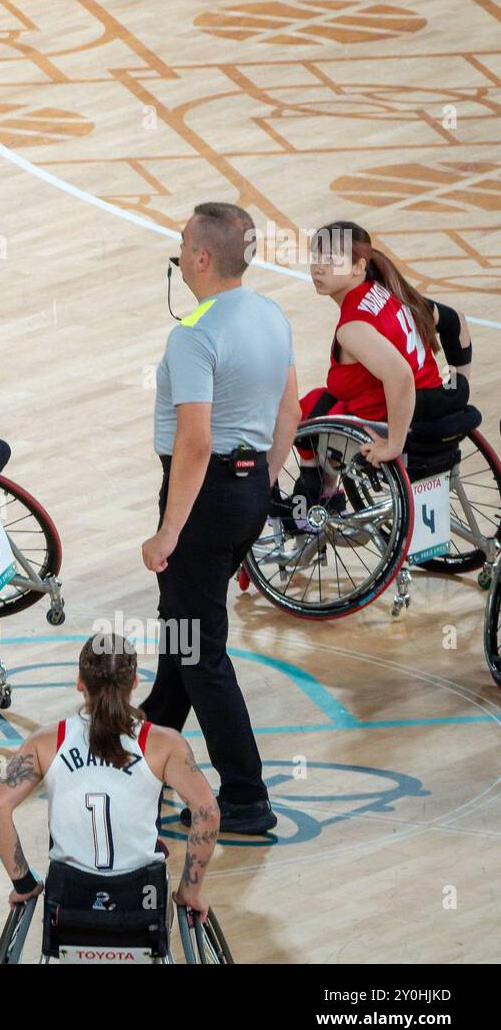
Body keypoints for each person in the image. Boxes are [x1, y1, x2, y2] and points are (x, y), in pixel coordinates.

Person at [141, 202, 300, 837]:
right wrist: (261, 481)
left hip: (201, 501)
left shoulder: (195, 333)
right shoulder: (272, 314)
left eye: (182, 245)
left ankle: (245, 797)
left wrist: (169, 531)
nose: (178, 255)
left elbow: (195, 442)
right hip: (249, 490)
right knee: (184, 637)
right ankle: (138, 768)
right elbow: (288, 411)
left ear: (202, 259)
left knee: (199, 650)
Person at [0, 634, 220, 927]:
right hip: (140, 902)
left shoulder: (46, 741)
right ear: (134, 683)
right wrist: (190, 891)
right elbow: (207, 812)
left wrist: (24, 884)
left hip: (69, 902)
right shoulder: (164, 744)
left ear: (80, 683)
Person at [294, 221, 470, 505]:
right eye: (315, 257)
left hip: (395, 422)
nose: (317, 267)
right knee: (323, 402)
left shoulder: (352, 328)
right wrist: (459, 389)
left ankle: (321, 497)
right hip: (434, 408)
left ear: (358, 267)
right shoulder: (394, 294)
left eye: (329, 260)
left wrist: (393, 445)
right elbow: (456, 322)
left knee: (292, 412)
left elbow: (400, 378)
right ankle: (323, 489)